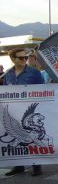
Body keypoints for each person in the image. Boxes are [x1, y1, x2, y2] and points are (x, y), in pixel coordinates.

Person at [3, 48, 44, 176]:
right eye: (21, 58)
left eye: (25, 58)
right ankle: (18, 165)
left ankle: (36, 166)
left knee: (31, 137)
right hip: (13, 110)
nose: (24, 60)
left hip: (29, 111)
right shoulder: (7, 74)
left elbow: (44, 90)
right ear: (13, 59)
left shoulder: (34, 73)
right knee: (15, 136)